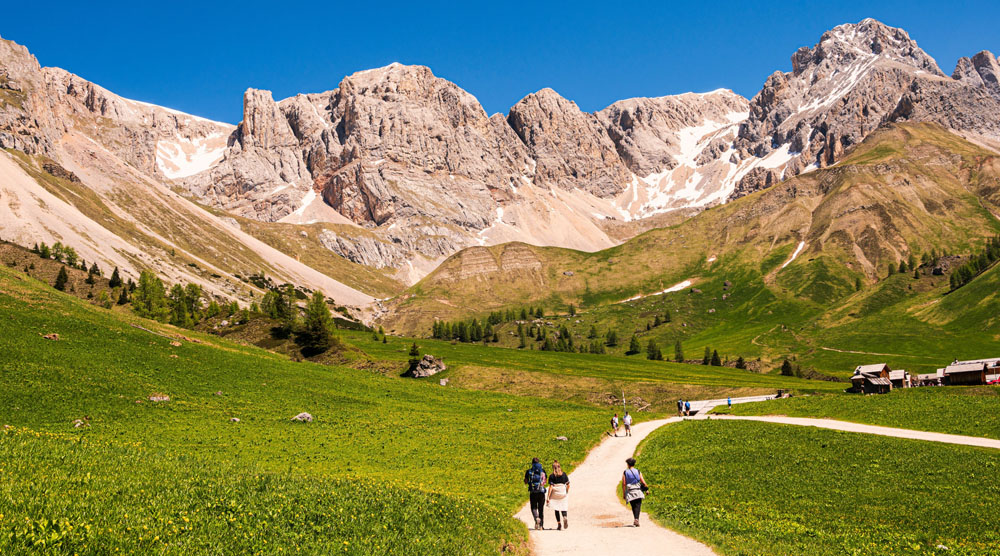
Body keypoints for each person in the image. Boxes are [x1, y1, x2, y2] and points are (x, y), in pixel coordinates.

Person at [621, 457, 649, 527]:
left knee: (633, 505)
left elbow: (624, 483)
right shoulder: (638, 471)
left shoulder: (625, 472)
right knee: (638, 505)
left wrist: (624, 493)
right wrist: (646, 489)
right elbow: (643, 481)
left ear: (628, 464)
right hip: (638, 490)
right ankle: (636, 519)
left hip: (630, 491)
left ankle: (635, 519)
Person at [546, 460, 570, 530]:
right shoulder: (564, 474)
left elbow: (551, 487)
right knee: (563, 506)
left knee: (556, 508)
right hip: (562, 492)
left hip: (555, 493)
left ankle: (559, 524)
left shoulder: (552, 476)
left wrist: (548, 497)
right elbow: (568, 484)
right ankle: (564, 516)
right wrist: (566, 491)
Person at [524, 457, 547, 530]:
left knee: (533, 507)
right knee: (541, 509)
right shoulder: (542, 471)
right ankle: (541, 526)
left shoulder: (529, 471)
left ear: (532, 463)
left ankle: (536, 518)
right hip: (541, 492)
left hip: (533, 492)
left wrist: (527, 482)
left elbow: (526, 481)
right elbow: (545, 480)